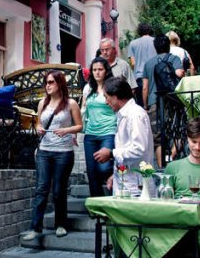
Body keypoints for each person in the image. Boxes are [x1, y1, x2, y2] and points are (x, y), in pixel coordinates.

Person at [23, 70, 83, 240]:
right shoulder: (42, 103)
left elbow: (80, 126)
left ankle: (61, 224)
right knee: (41, 189)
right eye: (46, 82)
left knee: (58, 190)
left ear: (60, 84)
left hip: (63, 153)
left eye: (51, 82)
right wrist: (39, 129)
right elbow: (39, 125)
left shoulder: (71, 104)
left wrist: (66, 130)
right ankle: (35, 228)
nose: (47, 85)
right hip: (44, 151)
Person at [93, 76, 155, 195]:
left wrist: (111, 153)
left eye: (107, 97)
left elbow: (138, 149)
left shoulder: (135, 115)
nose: (106, 102)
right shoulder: (125, 114)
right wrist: (115, 175)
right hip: (127, 182)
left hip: (137, 186)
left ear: (115, 96)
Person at [142, 34, 184, 167]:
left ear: (155, 48)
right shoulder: (174, 58)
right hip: (173, 100)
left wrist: (145, 105)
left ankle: (161, 168)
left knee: (158, 138)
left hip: (154, 102)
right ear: (169, 46)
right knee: (179, 129)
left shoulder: (148, 63)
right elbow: (179, 74)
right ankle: (171, 156)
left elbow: (145, 87)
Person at [81, 57, 117, 197]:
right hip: (90, 134)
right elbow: (83, 109)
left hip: (108, 132)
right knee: (92, 172)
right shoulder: (88, 88)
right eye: (94, 70)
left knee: (103, 168)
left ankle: (112, 179)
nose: (97, 72)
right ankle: (96, 206)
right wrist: (76, 131)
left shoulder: (112, 87)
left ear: (106, 71)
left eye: (100, 69)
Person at [128, 23, 157, 104]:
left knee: (141, 104)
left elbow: (133, 63)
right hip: (154, 76)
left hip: (139, 77)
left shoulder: (133, 43)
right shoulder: (156, 41)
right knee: (155, 103)